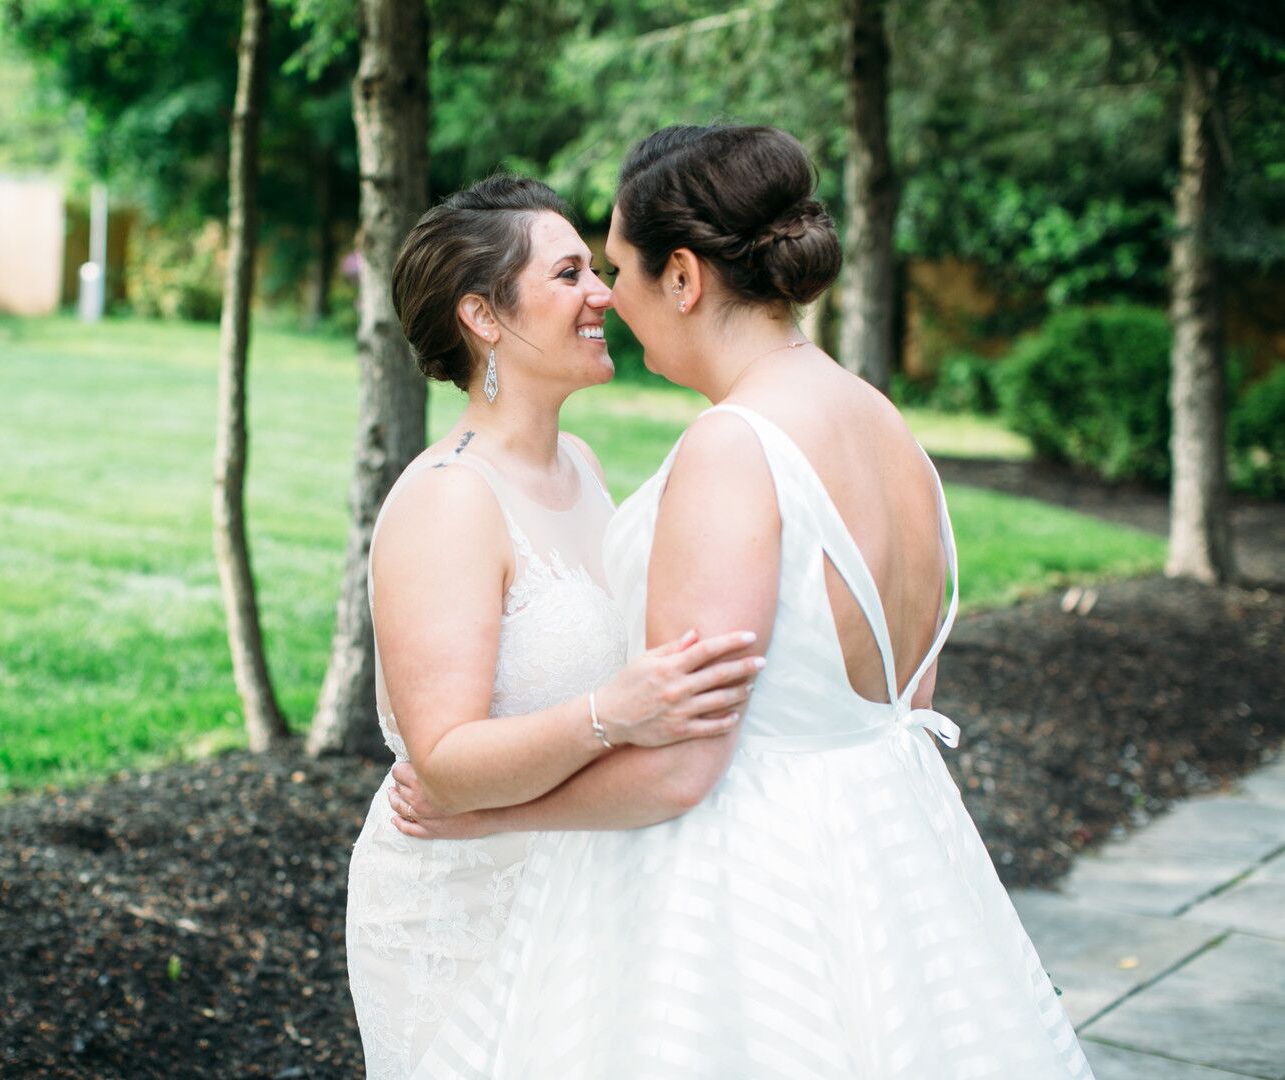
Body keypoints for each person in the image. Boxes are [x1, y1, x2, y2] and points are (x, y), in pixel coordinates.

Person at [395, 127, 1095, 1079]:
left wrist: (486, 819)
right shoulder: (882, 422)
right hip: (893, 860)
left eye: (619, 268)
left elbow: (685, 771)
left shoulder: (736, 445)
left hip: (743, 898)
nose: (612, 296)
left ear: (682, 277)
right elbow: (911, 697)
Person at [345, 174, 762, 1080]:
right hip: (458, 908)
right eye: (569, 274)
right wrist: (614, 712)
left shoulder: (580, 462)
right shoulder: (449, 500)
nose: (604, 293)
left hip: (582, 882)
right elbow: (443, 763)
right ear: (484, 318)